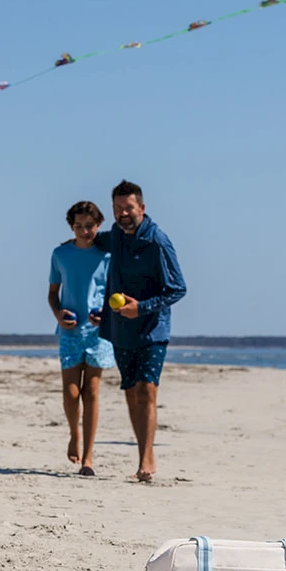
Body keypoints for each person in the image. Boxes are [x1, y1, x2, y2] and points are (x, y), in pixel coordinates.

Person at [88, 180, 186, 482]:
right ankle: (146, 453)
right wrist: (76, 239)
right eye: (117, 208)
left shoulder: (157, 241)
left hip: (152, 329)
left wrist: (140, 307)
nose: (123, 213)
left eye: (128, 207)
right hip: (120, 329)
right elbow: (95, 241)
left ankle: (146, 461)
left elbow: (177, 288)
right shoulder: (116, 235)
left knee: (147, 390)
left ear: (141, 208)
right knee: (131, 392)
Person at [48, 201, 116, 477]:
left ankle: (88, 457)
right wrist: (57, 314)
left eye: (89, 226)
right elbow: (53, 293)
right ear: (71, 227)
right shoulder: (60, 254)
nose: (85, 231)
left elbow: (115, 291)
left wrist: (107, 314)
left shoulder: (108, 255)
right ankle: (73, 433)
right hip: (69, 332)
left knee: (92, 392)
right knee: (71, 392)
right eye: (79, 226)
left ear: (99, 225)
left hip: (99, 333)